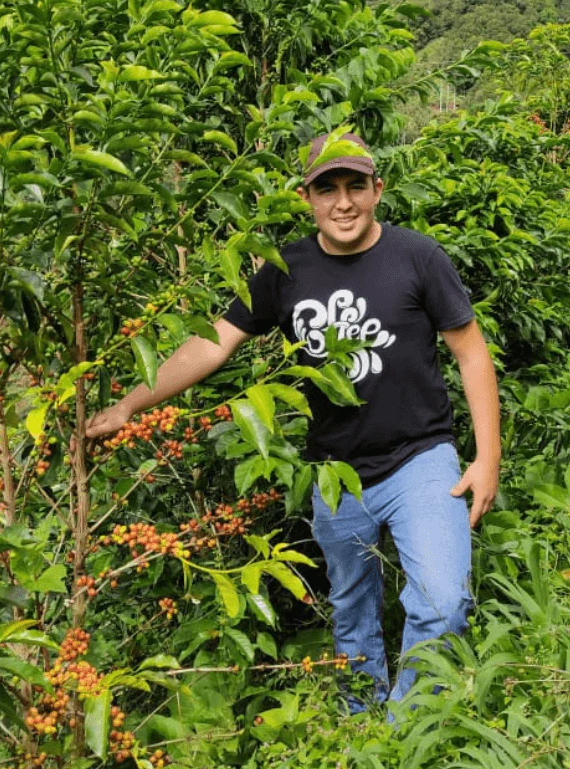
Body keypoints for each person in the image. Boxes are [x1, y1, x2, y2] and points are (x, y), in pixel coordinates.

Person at [86, 130, 500, 714]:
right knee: (352, 613)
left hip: (420, 459)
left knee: (442, 600)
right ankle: (362, 724)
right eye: (327, 188)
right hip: (333, 472)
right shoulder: (287, 268)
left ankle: (406, 727)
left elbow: (471, 353)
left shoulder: (418, 257)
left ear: (378, 189)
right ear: (307, 198)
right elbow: (212, 346)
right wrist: (130, 403)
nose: (344, 202)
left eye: (356, 185)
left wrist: (487, 460)